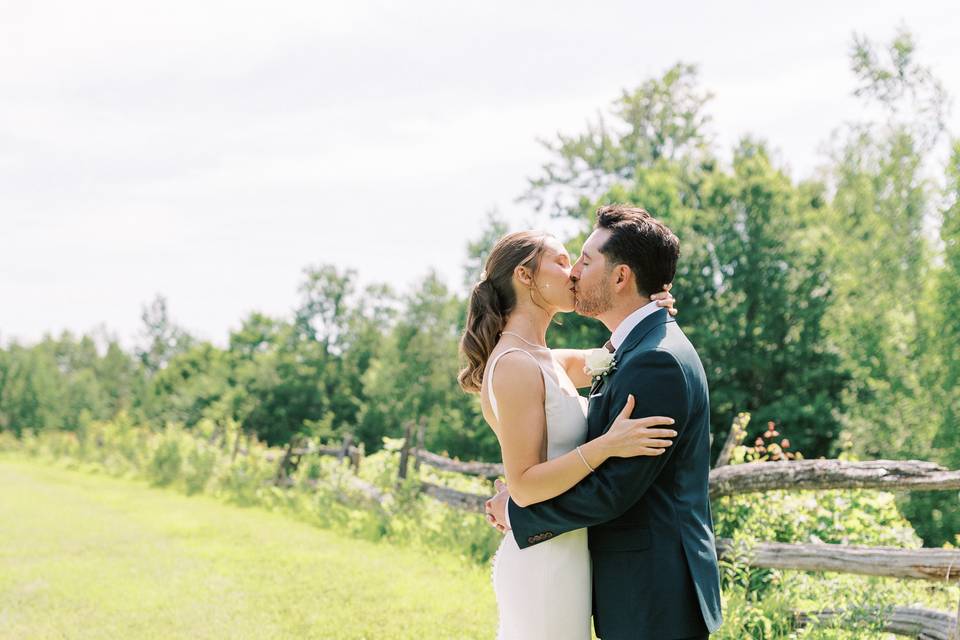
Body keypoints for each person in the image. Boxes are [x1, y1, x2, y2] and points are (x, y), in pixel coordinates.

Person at [484, 205, 723, 640]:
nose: (574, 272)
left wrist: (519, 514)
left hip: (651, 589)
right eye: (564, 261)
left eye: (584, 260)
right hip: (587, 571)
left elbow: (614, 491)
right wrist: (644, 319)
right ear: (524, 276)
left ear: (620, 277)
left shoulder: (654, 358)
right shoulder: (627, 352)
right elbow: (600, 361)